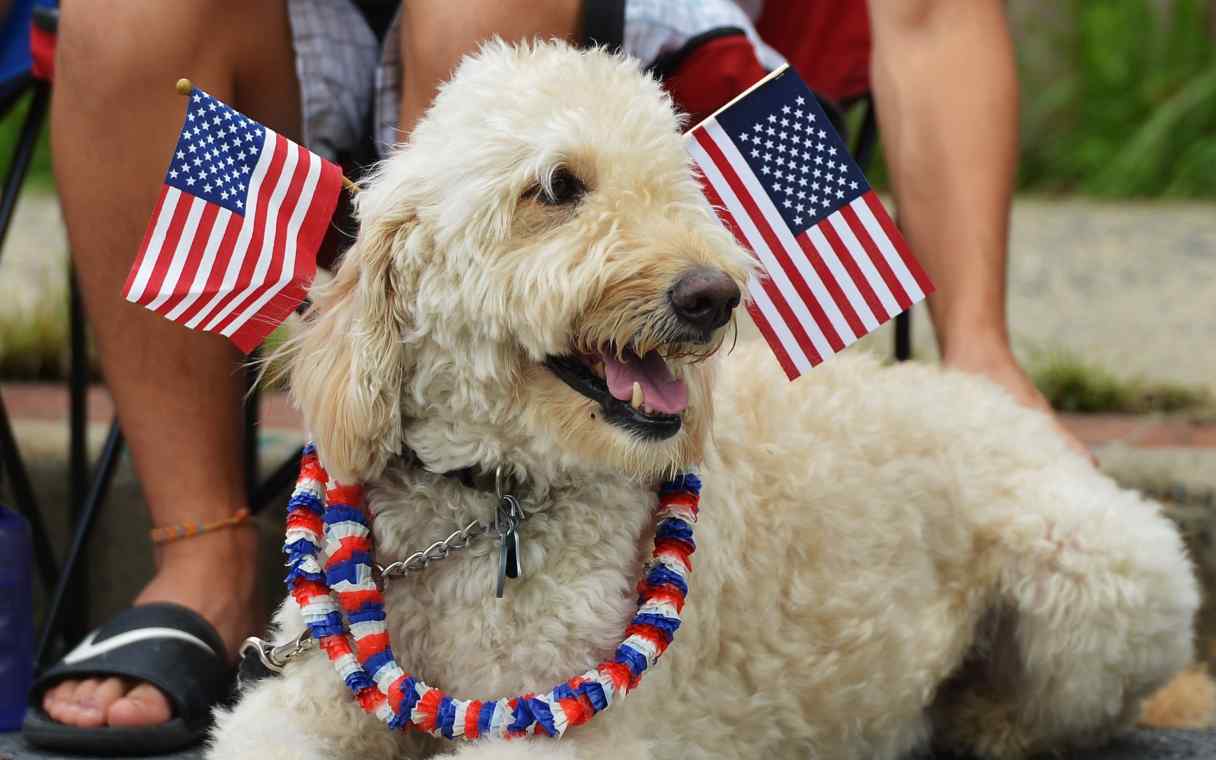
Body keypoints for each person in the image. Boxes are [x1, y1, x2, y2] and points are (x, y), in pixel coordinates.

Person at [31, 0, 1084, 745]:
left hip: (608, 27)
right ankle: (205, 555)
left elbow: (933, 15)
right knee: (126, 9)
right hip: (306, 29)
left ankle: (524, 399)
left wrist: (980, 344)